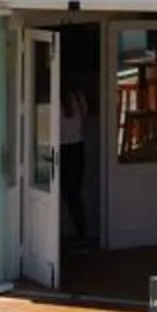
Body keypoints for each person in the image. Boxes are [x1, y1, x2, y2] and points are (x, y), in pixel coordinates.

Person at [58, 79, 91, 249]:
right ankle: (81, 236)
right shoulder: (78, 98)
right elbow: (84, 121)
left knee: (65, 195)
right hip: (77, 148)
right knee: (73, 195)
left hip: (62, 149)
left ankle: (73, 236)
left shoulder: (55, 99)